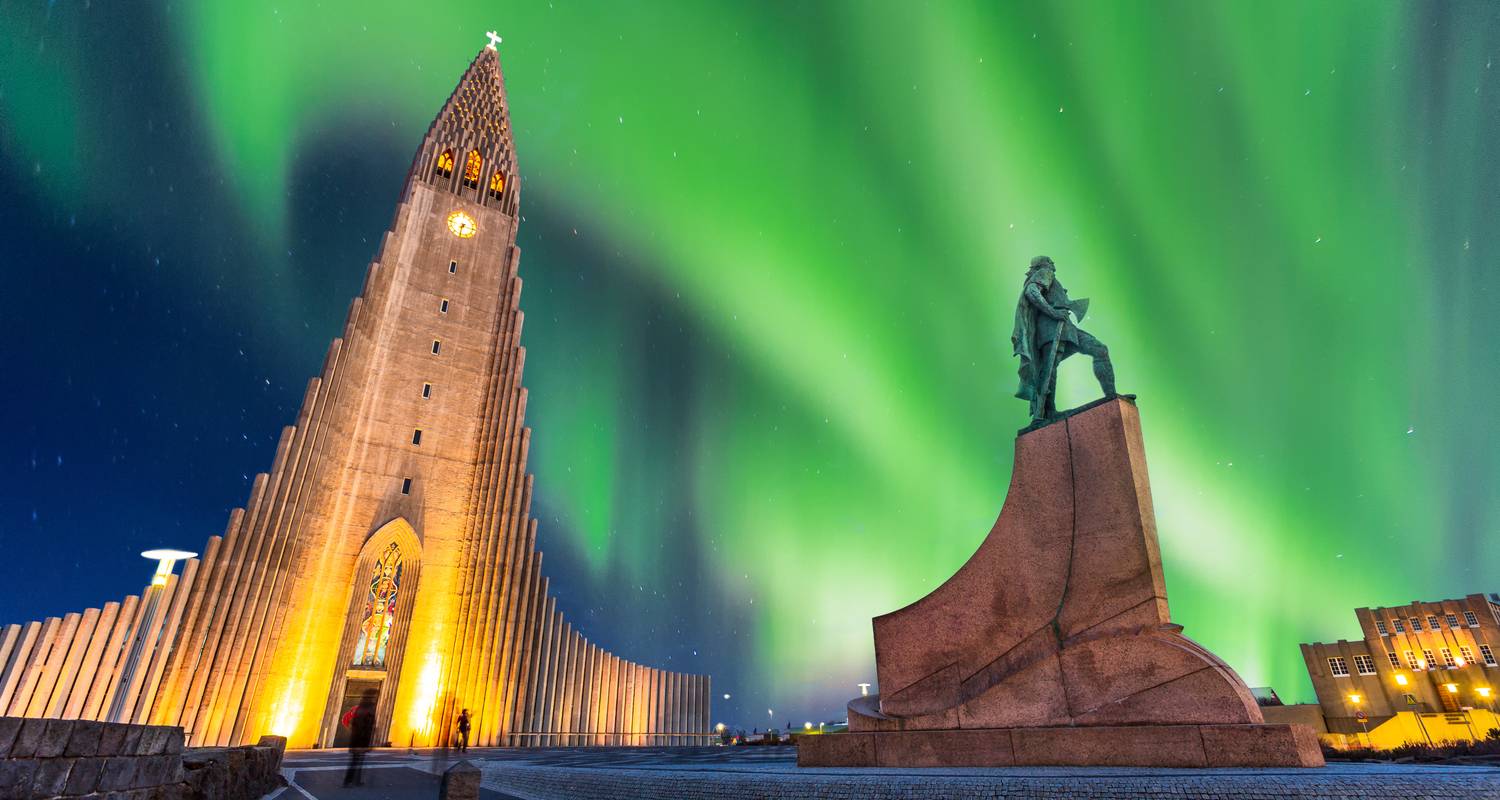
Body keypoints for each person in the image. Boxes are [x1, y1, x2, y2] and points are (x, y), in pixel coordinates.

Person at [1011, 255, 1116, 421]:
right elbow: (1032, 292)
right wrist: (1054, 312)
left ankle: (1112, 397)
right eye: (1049, 261)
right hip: (1052, 328)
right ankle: (1046, 413)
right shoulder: (1044, 273)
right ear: (1042, 265)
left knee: (1098, 350)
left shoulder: (1050, 277)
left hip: (1066, 328)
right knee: (1049, 370)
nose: (1053, 264)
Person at [343, 689, 377, 787]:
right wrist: (365, 743)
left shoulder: (361, 708)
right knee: (355, 761)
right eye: (374, 696)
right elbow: (365, 726)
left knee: (357, 761)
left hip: (357, 739)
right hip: (360, 740)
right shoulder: (368, 709)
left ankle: (354, 781)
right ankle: (348, 781)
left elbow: (358, 725)